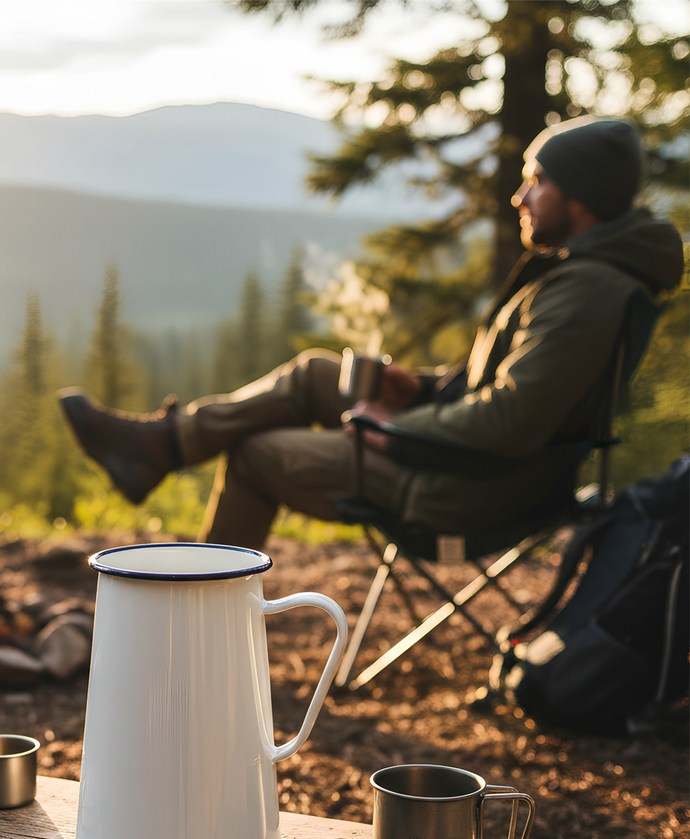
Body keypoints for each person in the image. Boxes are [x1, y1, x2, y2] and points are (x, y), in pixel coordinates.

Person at [59, 116, 684, 551]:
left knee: (255, 456)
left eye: (538, 181)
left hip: (469, 488)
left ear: (583, 199)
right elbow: (504, 390)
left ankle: (198, 629)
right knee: (312, 374)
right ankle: (161, 447)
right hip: (465, 458)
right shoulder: (582, 276)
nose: (520, 196)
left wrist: (390, 430)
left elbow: (509, 424)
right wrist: (425, 389)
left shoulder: (588, 291)